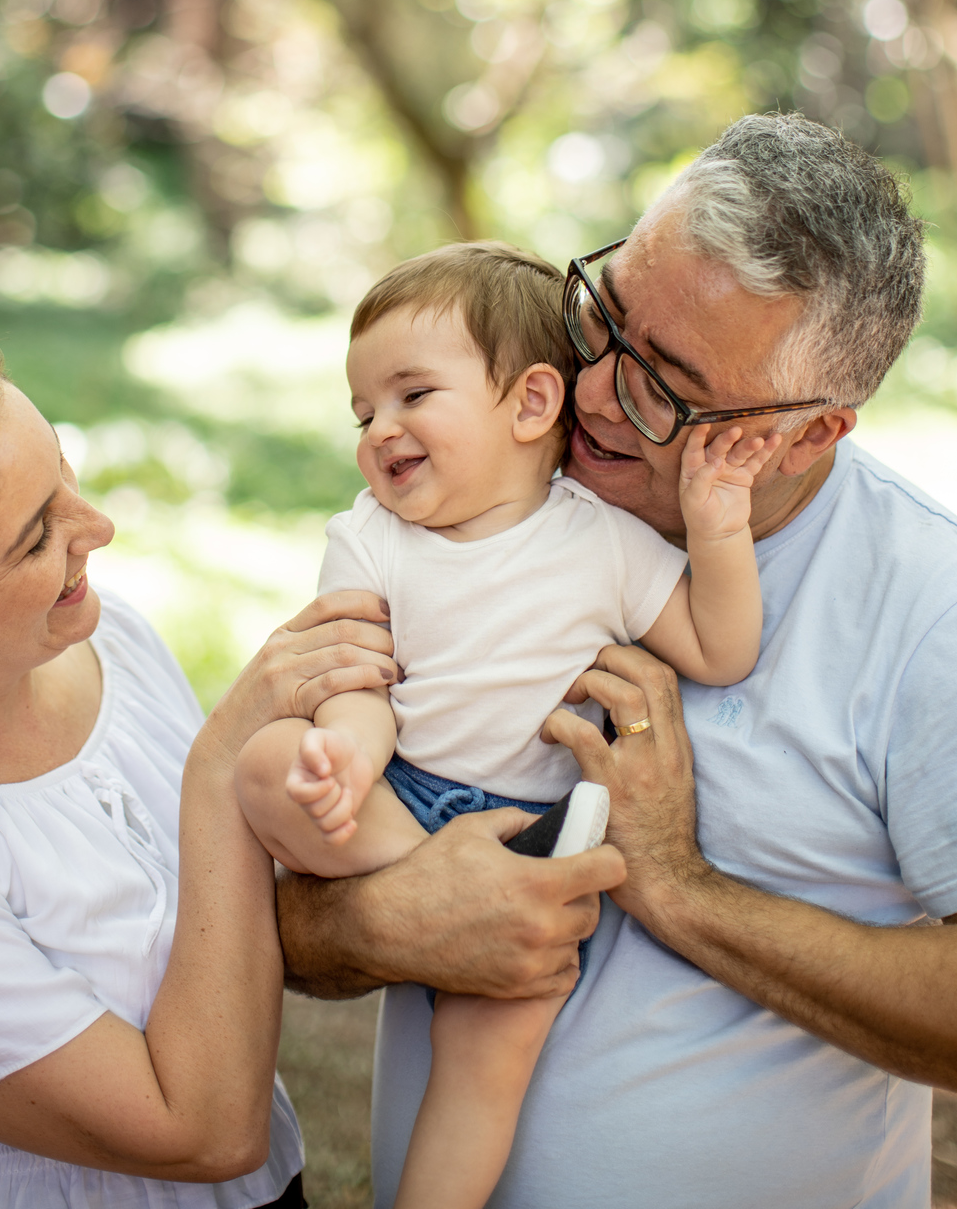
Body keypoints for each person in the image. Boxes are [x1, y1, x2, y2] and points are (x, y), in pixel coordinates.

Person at [276, 113, 957, 1209]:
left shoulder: (948, 621)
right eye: (603, 316)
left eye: (662, 386)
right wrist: (376, 920)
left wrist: (683, 889)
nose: (584, 392)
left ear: (805, 434)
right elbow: (284, 914)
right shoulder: (456, 513)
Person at [236, 242, 780, 1209]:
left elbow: (718, 646)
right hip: (394, 800)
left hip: (531, 837)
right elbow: (358, 683)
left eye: (411, 396)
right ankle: (430, 890)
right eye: (363, 411)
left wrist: (718, 526)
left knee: (484, 1064)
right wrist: (346, 760)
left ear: (532, 405)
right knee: (271, 762)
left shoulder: (604, 542)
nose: (378, 430)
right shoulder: (368, 536)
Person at [0, 329, 406, 1209]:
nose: (98, 528)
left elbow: (229, 929)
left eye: (62, 471)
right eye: (34, 539)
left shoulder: (105, 636)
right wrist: (223, 773)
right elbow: (202, 1131)